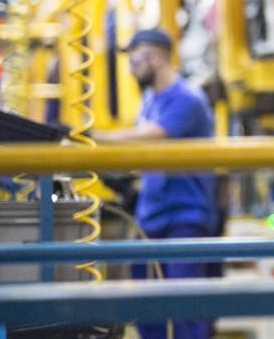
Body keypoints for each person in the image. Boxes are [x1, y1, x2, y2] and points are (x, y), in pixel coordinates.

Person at [96, 28, 218, 339]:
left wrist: (93, 138)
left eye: (135, 61)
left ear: (156, 57)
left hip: (185, 218)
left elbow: (149, 136)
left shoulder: (187, 99)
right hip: (150, 216)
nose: (130, 69)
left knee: (183, 308)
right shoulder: (150, 99)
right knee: (145, 307)